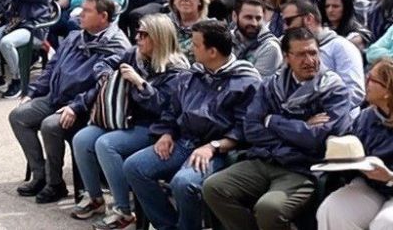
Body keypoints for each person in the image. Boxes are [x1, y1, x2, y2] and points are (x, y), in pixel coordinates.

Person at [202, 27, 358, 230]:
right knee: (214, 187)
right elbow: (251, 128)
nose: (309, 61)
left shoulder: (334, 90)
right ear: (286, 58)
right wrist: (300, 128)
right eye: (301, 54)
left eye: (313, 53)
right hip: (265, 159)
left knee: (269, 208)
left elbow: (316, 139)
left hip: (302, 167)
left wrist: (273, 121)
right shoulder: (271, 85)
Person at [122, 20, 263, 230]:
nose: (191, 49)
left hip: (219, 151)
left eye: (196, 45)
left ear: (212, 51)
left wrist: (213, 147)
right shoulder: (192, 75)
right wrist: (167, 133)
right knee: (134, 167)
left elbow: (245, 129)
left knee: (184, 183)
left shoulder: (246, 82)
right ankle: (169, 226)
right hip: (184, 141)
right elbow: (172, 110)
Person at [70, 14, 190, 227]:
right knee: (82, 138)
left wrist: (141, 84)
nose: (137, 38)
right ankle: (95, 198)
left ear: (159, 38)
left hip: (155, 127)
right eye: (138, 32)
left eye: (144, 34)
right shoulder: (135, 55)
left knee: (106, 144)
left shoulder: (177, 69)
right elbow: (105, 63)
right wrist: (106, 75)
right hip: (126, 119)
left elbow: (165, 108)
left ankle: (123, 210)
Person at [10, 0, 130, 204]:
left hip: (86, 107)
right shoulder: (76, 36)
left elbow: (103, 86)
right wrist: (33, 92)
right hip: (56, 97)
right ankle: (40, 174)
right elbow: (52, 67)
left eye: (86, 11)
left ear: (103, 17)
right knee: (18, 115)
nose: (79, 14)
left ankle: (55, 184)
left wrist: (76, 107)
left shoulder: (117, 45)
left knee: (50, 125)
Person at [315, 60, 393, 230]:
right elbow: (354, 148)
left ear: (389, 90)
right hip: (374, 186)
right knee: (332, 209)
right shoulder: (367, 117)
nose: (366, 82)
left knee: (389, 223)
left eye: (371, 79)